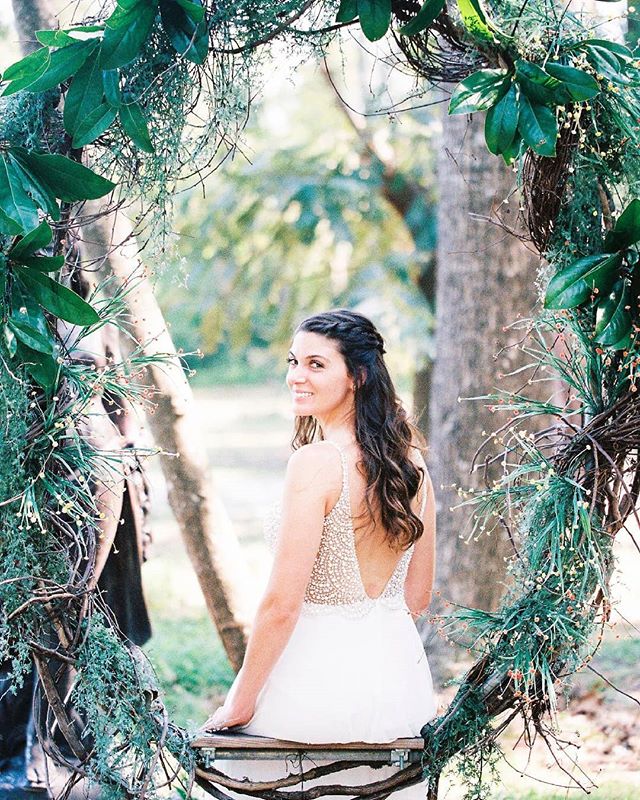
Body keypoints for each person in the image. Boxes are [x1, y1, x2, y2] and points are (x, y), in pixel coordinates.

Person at [202, 309, 437, 798]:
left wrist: (240, 703)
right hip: (399, 684)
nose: (296, 376)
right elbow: (418, 596)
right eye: (293, 362)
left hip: (314, 682)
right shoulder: (412, 464)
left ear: (358, 376)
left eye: (315, 364)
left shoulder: (316, 463)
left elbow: (281, 606)